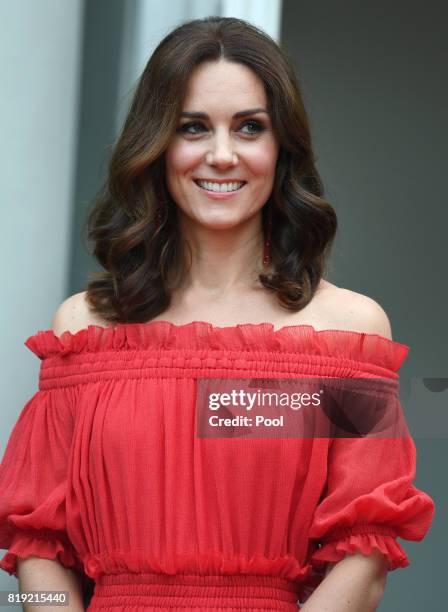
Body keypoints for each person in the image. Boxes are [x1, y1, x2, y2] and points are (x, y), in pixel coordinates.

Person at [0, 16, 435, 612]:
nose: (223, 155)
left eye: (250, 127)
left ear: (282, 147)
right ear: (156, 144)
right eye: (194, 127)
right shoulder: (83, 330)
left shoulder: (346, 334)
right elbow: (35, 548)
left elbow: (366, 555)